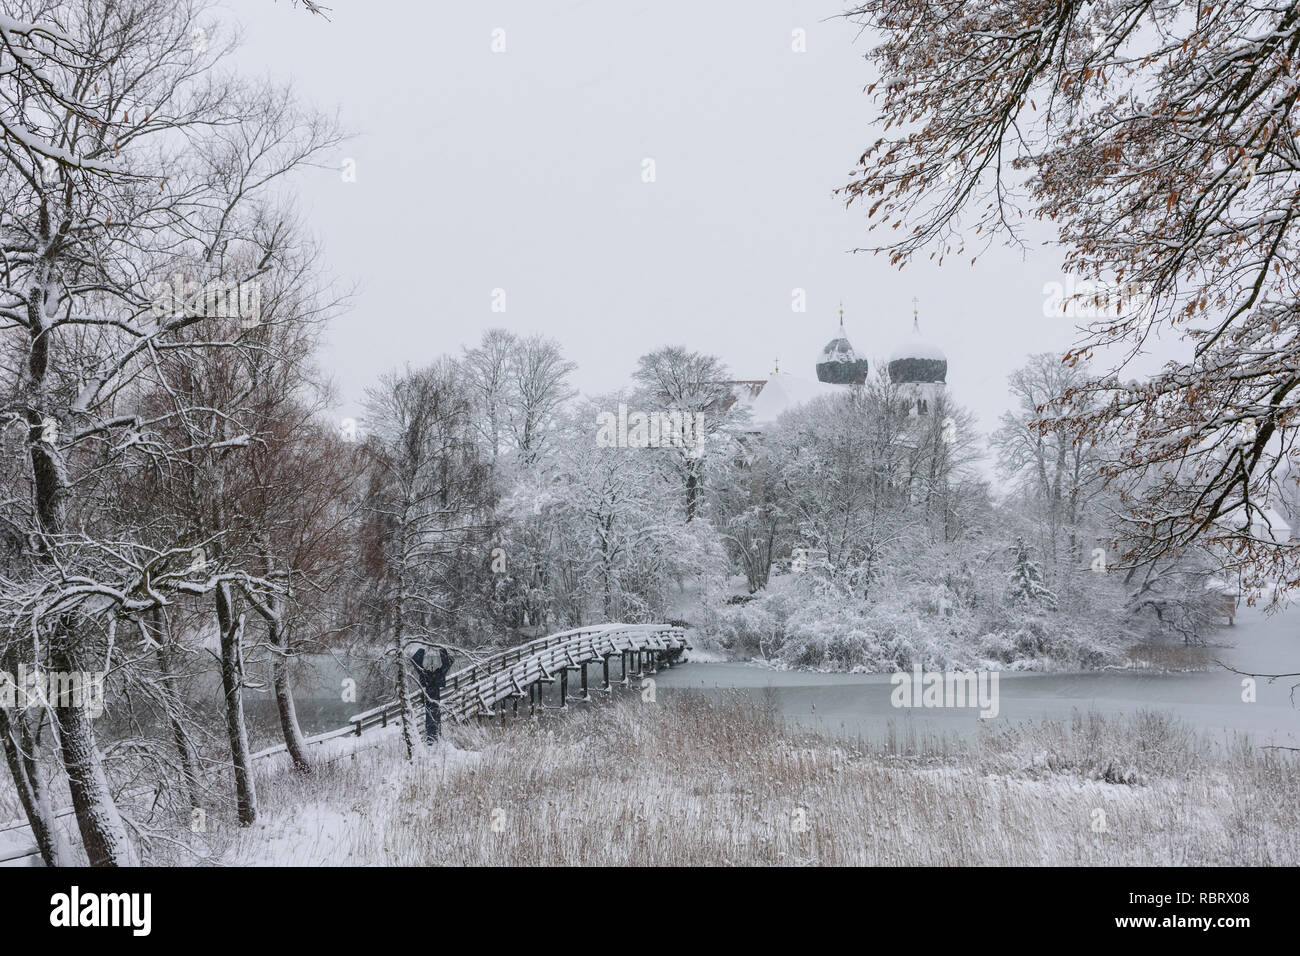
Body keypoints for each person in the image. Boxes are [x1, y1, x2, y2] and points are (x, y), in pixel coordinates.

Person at [410, 646, 454, 743]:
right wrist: (441, 651)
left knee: (432, 719)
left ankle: (432, 740)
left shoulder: (425, 675)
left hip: (430, 697)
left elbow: (414, 661)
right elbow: (449, 662)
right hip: (434, 698)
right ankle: (433, 739)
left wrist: (422, 651)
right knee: (434, 718)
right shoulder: (435, 675)